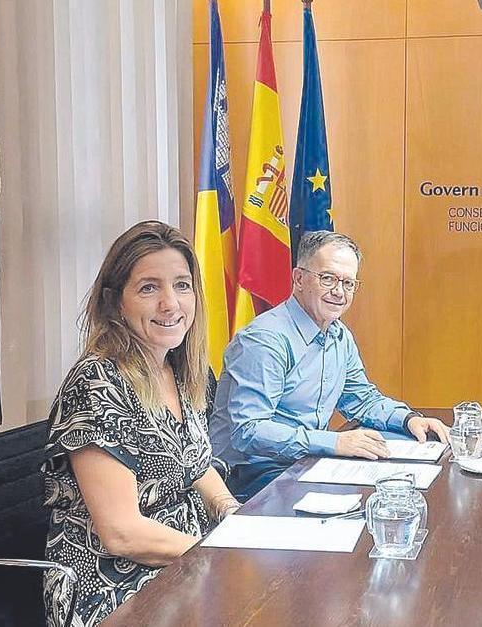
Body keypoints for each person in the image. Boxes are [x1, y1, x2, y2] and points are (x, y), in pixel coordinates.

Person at [41, 221, 241, 626]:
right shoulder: (99, 384)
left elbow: (194, 464)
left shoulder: (183, 370)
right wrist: (220, 552)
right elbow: (121, 533)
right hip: (114, 588)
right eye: (149, 288)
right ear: (116, 302)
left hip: (185, 565)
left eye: (182, 285)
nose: (170, 304)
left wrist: (231, 512)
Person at [210, 231, 450, 500]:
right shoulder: (265, 340)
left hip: (305, 464)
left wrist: (408, 419)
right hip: (251, 475)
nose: (339, 292)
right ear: (299, 279)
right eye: (328, 279)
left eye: (348, 283)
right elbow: (249, 431)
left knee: (397, 493)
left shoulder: (339, 335)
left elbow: (362, 400)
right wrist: (334, 442)